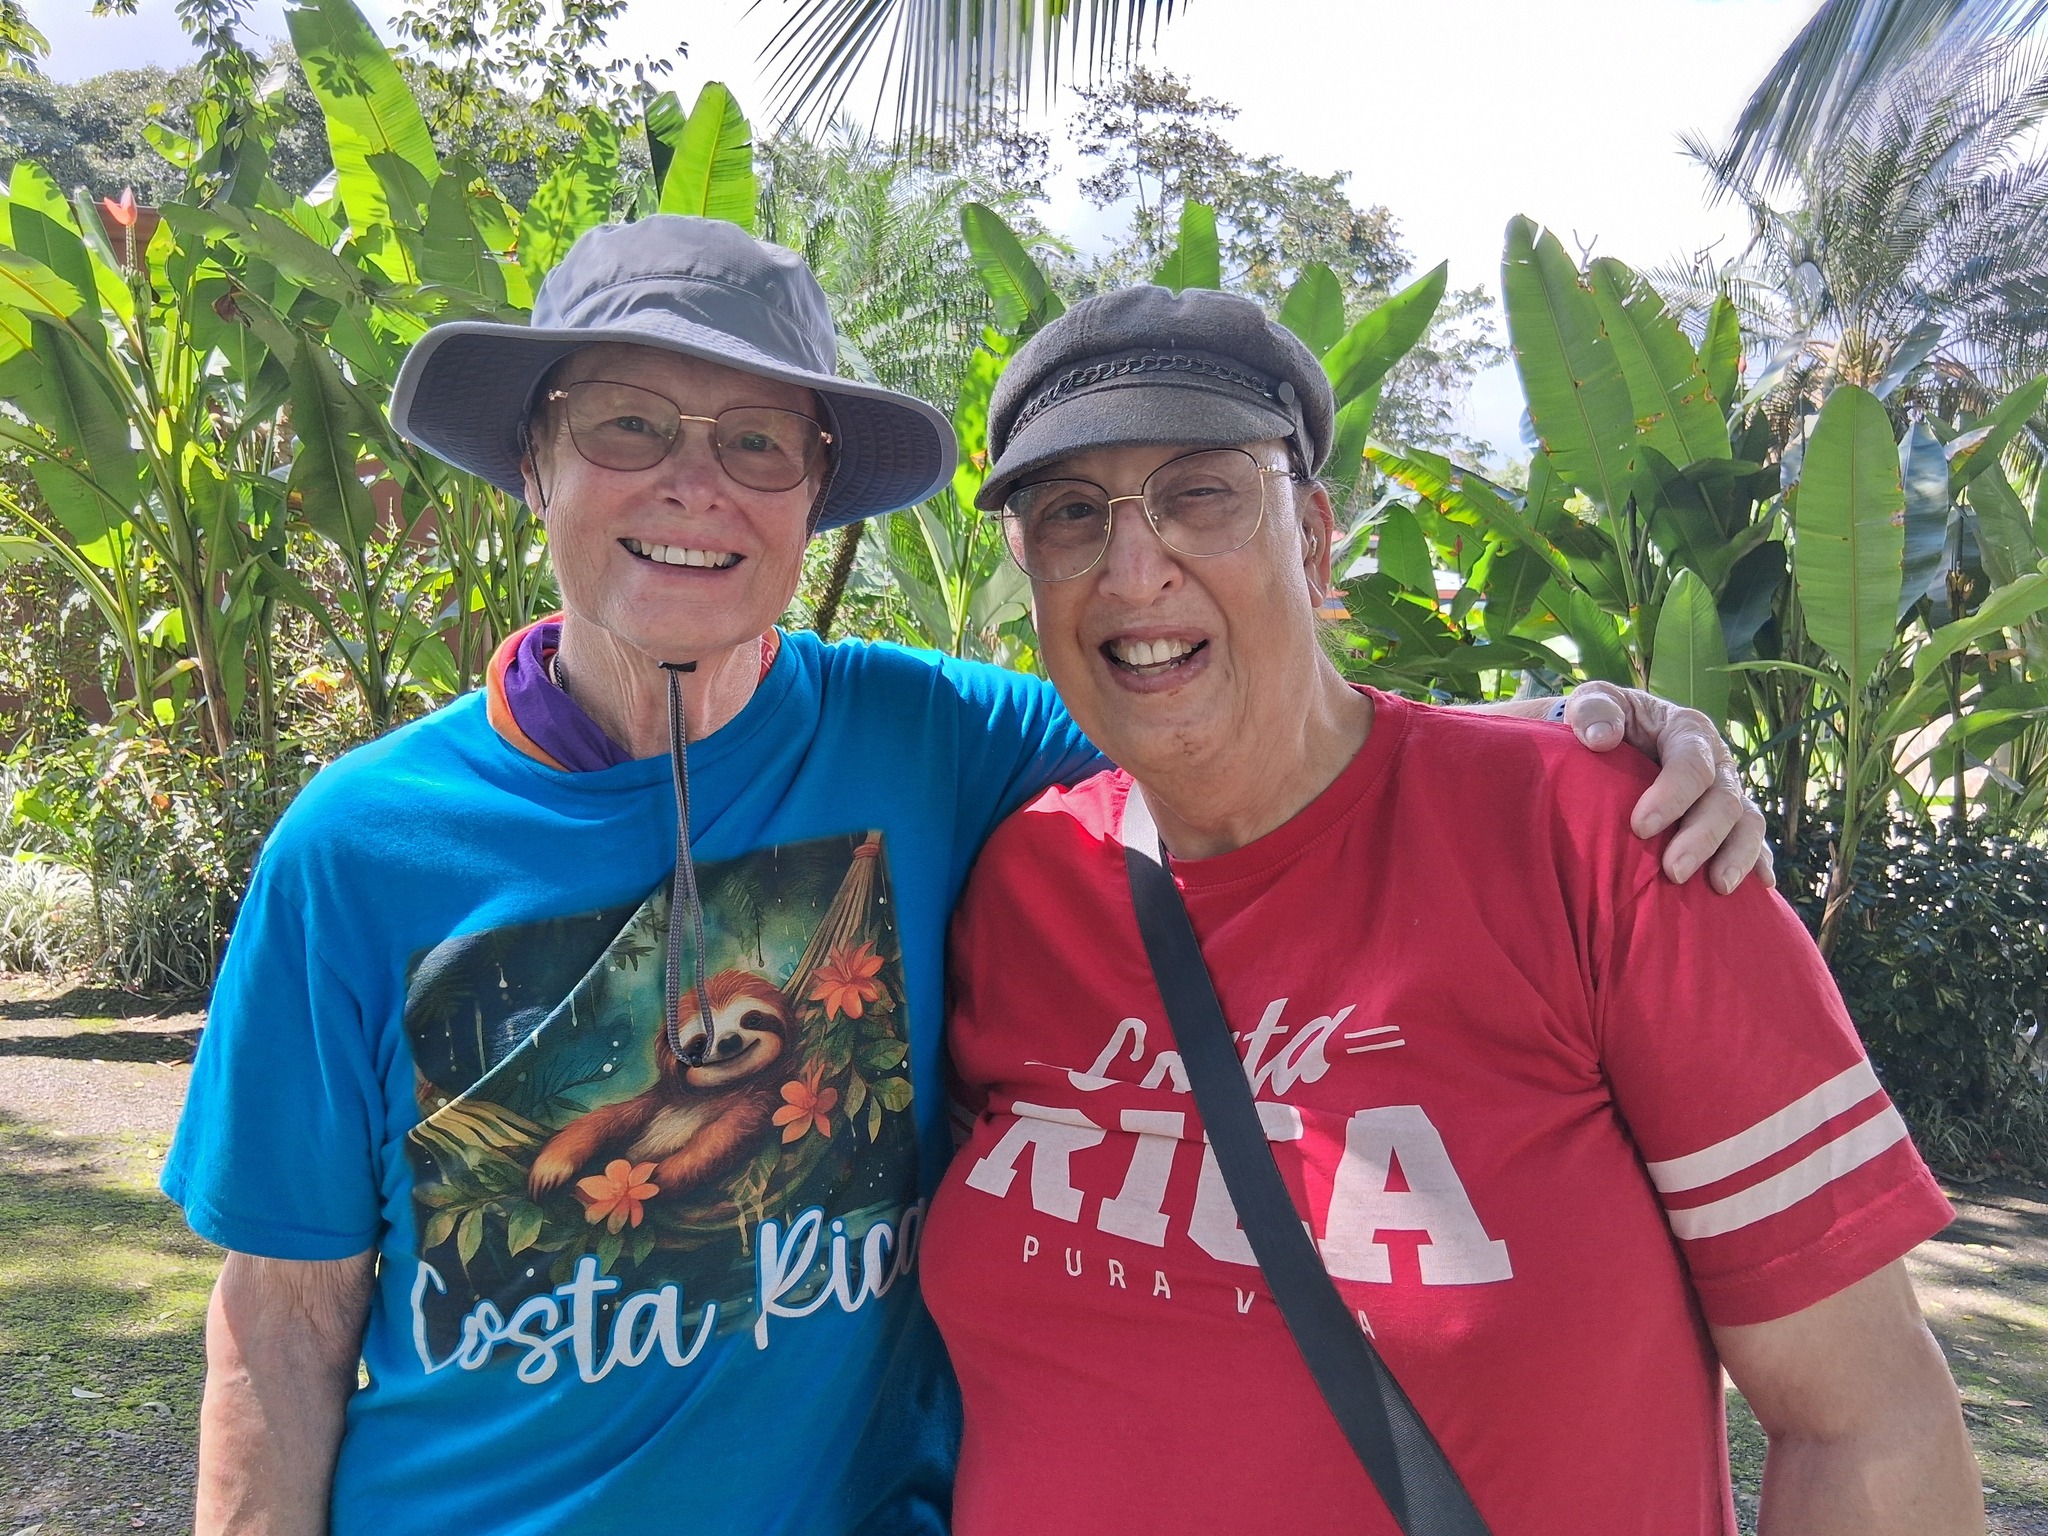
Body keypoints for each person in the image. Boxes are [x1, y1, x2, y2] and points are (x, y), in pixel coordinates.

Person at [163, 217, 1770, 1535]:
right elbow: (282, 1328)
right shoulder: (359, 848)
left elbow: (1239, 703)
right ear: (536, 464)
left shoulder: (932, 737)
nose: (692, 486)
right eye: (627, 426)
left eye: (756, 443)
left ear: (814, 497)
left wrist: (1576, 738)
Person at [921, 284, 1980, 1535]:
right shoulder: (1020, 882)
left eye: (1199, 493)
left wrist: (1556, 747)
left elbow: (1864, 1420)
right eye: (1068, 513)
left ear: (1312, 540)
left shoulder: (1603, 841)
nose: (1132, 567)